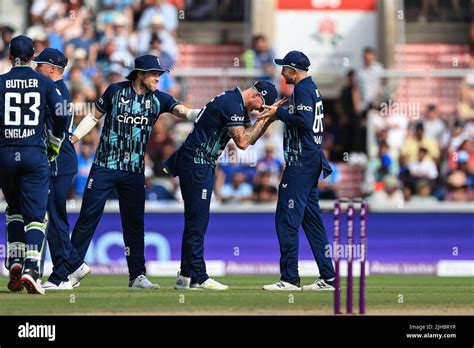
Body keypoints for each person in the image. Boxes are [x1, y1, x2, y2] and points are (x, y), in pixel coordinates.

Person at [67, 55, 202, 289]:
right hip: (105, 166)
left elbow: (181, 111)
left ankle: (137, 276)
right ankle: (69, 270)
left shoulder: (158, 99)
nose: (158, 78)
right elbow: (92, 117)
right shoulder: (115, 91)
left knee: (135, 224)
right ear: (140, 73)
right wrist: (73, 139)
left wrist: (200, 113)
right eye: (154, 74)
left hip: (134, 171)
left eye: (160, 74)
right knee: (88, 217)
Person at [165, 81, 280, 291]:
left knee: (195, 220)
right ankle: (199, 276)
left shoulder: (235, 103)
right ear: (257, 96)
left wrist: (266, 121)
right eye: (260, 106)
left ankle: (185, 275)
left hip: (201, 163)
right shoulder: (231, 103)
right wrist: (265, 118)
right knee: (198, 220)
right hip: (196, 162)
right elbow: (243, 142)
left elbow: (250, 139)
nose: (257, 110)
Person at [261, 51, 335, 291]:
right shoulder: (310, 89)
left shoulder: (303, 89)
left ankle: (290, 278)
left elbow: (303, 120)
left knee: (286, 219)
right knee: (312, 221)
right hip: (310, 161)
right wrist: (282, 111)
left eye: (285, 69)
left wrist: (278, 113)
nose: (282, 73)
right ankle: (329, 277)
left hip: (301, 163)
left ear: (295, 70)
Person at [0, 35, 66, 294]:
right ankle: (31, 268)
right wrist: (55, 139)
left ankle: (15, 261)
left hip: (5, 154)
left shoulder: (1, 83)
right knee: (37, 215)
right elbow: (61, 112)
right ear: (32, 58)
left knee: (14, 209)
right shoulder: (44, 83)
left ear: (9, 56)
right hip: (33, 153)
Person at [33, 48, 78, 290]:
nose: (35, 69)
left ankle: (63, 275)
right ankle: (72, 265)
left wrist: (52, 145)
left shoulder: (56, 90)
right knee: (52, 215)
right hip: (60, 160)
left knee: (55, 216)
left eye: (39, 65)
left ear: (51, 68)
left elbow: (59, 123)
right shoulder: (56, 89)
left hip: (59, 160)